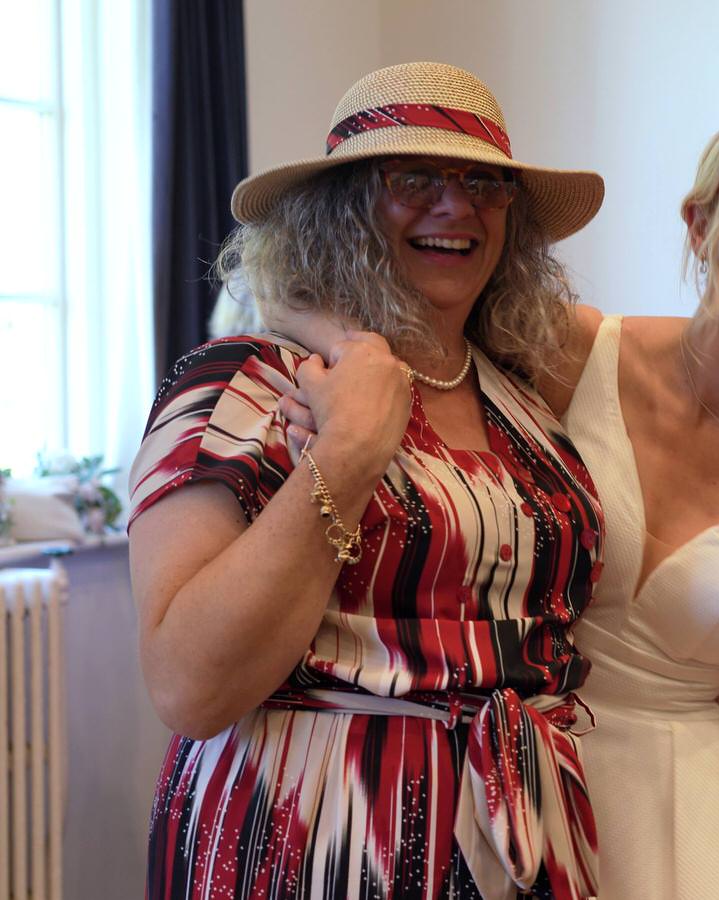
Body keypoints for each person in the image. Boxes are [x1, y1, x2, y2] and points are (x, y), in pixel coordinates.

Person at [278, 98, 719, 900]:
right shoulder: (570, 352)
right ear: (700, 223)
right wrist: (352, 357)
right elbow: (348, 295)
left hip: (685, 835)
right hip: (494, 797)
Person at [127, 62, 606, 899]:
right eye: (411, 178)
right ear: (342, 209)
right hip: (306, 839)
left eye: (482, 184)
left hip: (517, 835)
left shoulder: (522, 400)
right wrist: (348, 452)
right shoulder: (248, 380)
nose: (454, 206)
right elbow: (189, 686)